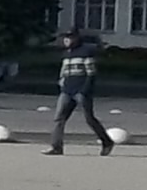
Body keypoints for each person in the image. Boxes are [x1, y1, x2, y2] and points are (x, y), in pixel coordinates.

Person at [46, 28, 113, 156]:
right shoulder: (66, 53)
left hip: (80, 91)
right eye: (65, 38)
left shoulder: (85, 52)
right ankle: (56, 147)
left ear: (76, 38)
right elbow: (64, 71)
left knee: (89, 119)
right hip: (66, 91)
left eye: (69, 37)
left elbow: (91, 74)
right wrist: (61, 82)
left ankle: (107, 142)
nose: (66, 40)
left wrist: (84, 90)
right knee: (59, 118)